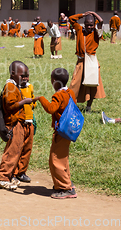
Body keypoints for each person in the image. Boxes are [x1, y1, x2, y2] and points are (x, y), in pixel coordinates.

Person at [32, 68, 77, 199]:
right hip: (69, 130)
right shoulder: (70, 93)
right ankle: (68, 183)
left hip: (61, 132)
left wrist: (40, 98)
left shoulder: (58, 95)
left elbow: (51, 109)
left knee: (55, 160)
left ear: (54, 82)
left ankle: (65, 188)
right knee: (63, 159)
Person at [0, 61, 35, 191]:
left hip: (19, 123)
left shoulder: (16, 86)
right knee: (12, 151)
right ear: (13, 73)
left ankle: (11, 175)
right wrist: (24, 102)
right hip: (13, 124)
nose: (26, 78)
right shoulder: (10, 87)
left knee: (18, 150)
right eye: (23, 75)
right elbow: (10, 106)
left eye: (27, 76)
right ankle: (2, 178)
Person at [68, 11, 106, 112]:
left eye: (91, 25)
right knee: (74, 83)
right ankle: (70, 105)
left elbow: (101, 21)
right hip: (81, 61)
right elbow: (71, 19)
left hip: (92, 62)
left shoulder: (96, 33)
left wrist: (93, 13)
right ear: (84, 24)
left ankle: (89, 106)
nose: (89, 27)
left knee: (92, 84)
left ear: (94, 25)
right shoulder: (79, 30)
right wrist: (83, 15)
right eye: (87, 25)